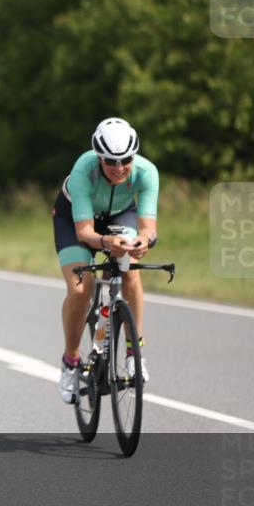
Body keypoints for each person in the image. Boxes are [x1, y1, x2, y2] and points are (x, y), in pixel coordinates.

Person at [53, 117, 159, 404]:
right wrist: (105, 242)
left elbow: (149, 227)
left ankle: (133, 351)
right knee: (80, 288)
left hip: (119, 215)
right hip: (75, 219)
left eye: (125, 159)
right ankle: (71, 361)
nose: (119, 167)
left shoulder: (147, 172)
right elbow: (85, 232)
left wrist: (142, 242)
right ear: (99, 157)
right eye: (111, 161)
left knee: (130, 271)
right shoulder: (82, 171)